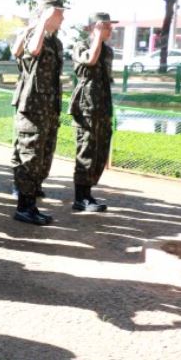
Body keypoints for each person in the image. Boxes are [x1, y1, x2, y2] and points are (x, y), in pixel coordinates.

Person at [11, 0, 65, 225]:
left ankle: (31, 204)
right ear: (48, 14)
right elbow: (31, 51)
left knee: (43, 157)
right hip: (32, 107)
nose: (63, 17)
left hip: (48, 108)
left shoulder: (56, 42)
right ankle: (24, 207)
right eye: (59, 13)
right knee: (29, 155)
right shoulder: (35, 36)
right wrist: (41, 22)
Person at [70, 13, 117, 212]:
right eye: (104, 26)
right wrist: (97, 37)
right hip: (86, 107)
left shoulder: (108, 51)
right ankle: (81, 197)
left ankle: (88, 193)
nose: (110, 30)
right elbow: (90, 60)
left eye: (109, 26)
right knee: (86, 149)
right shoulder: (81, 46)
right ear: (92, 28)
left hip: (103, 106)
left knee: (100, 150)